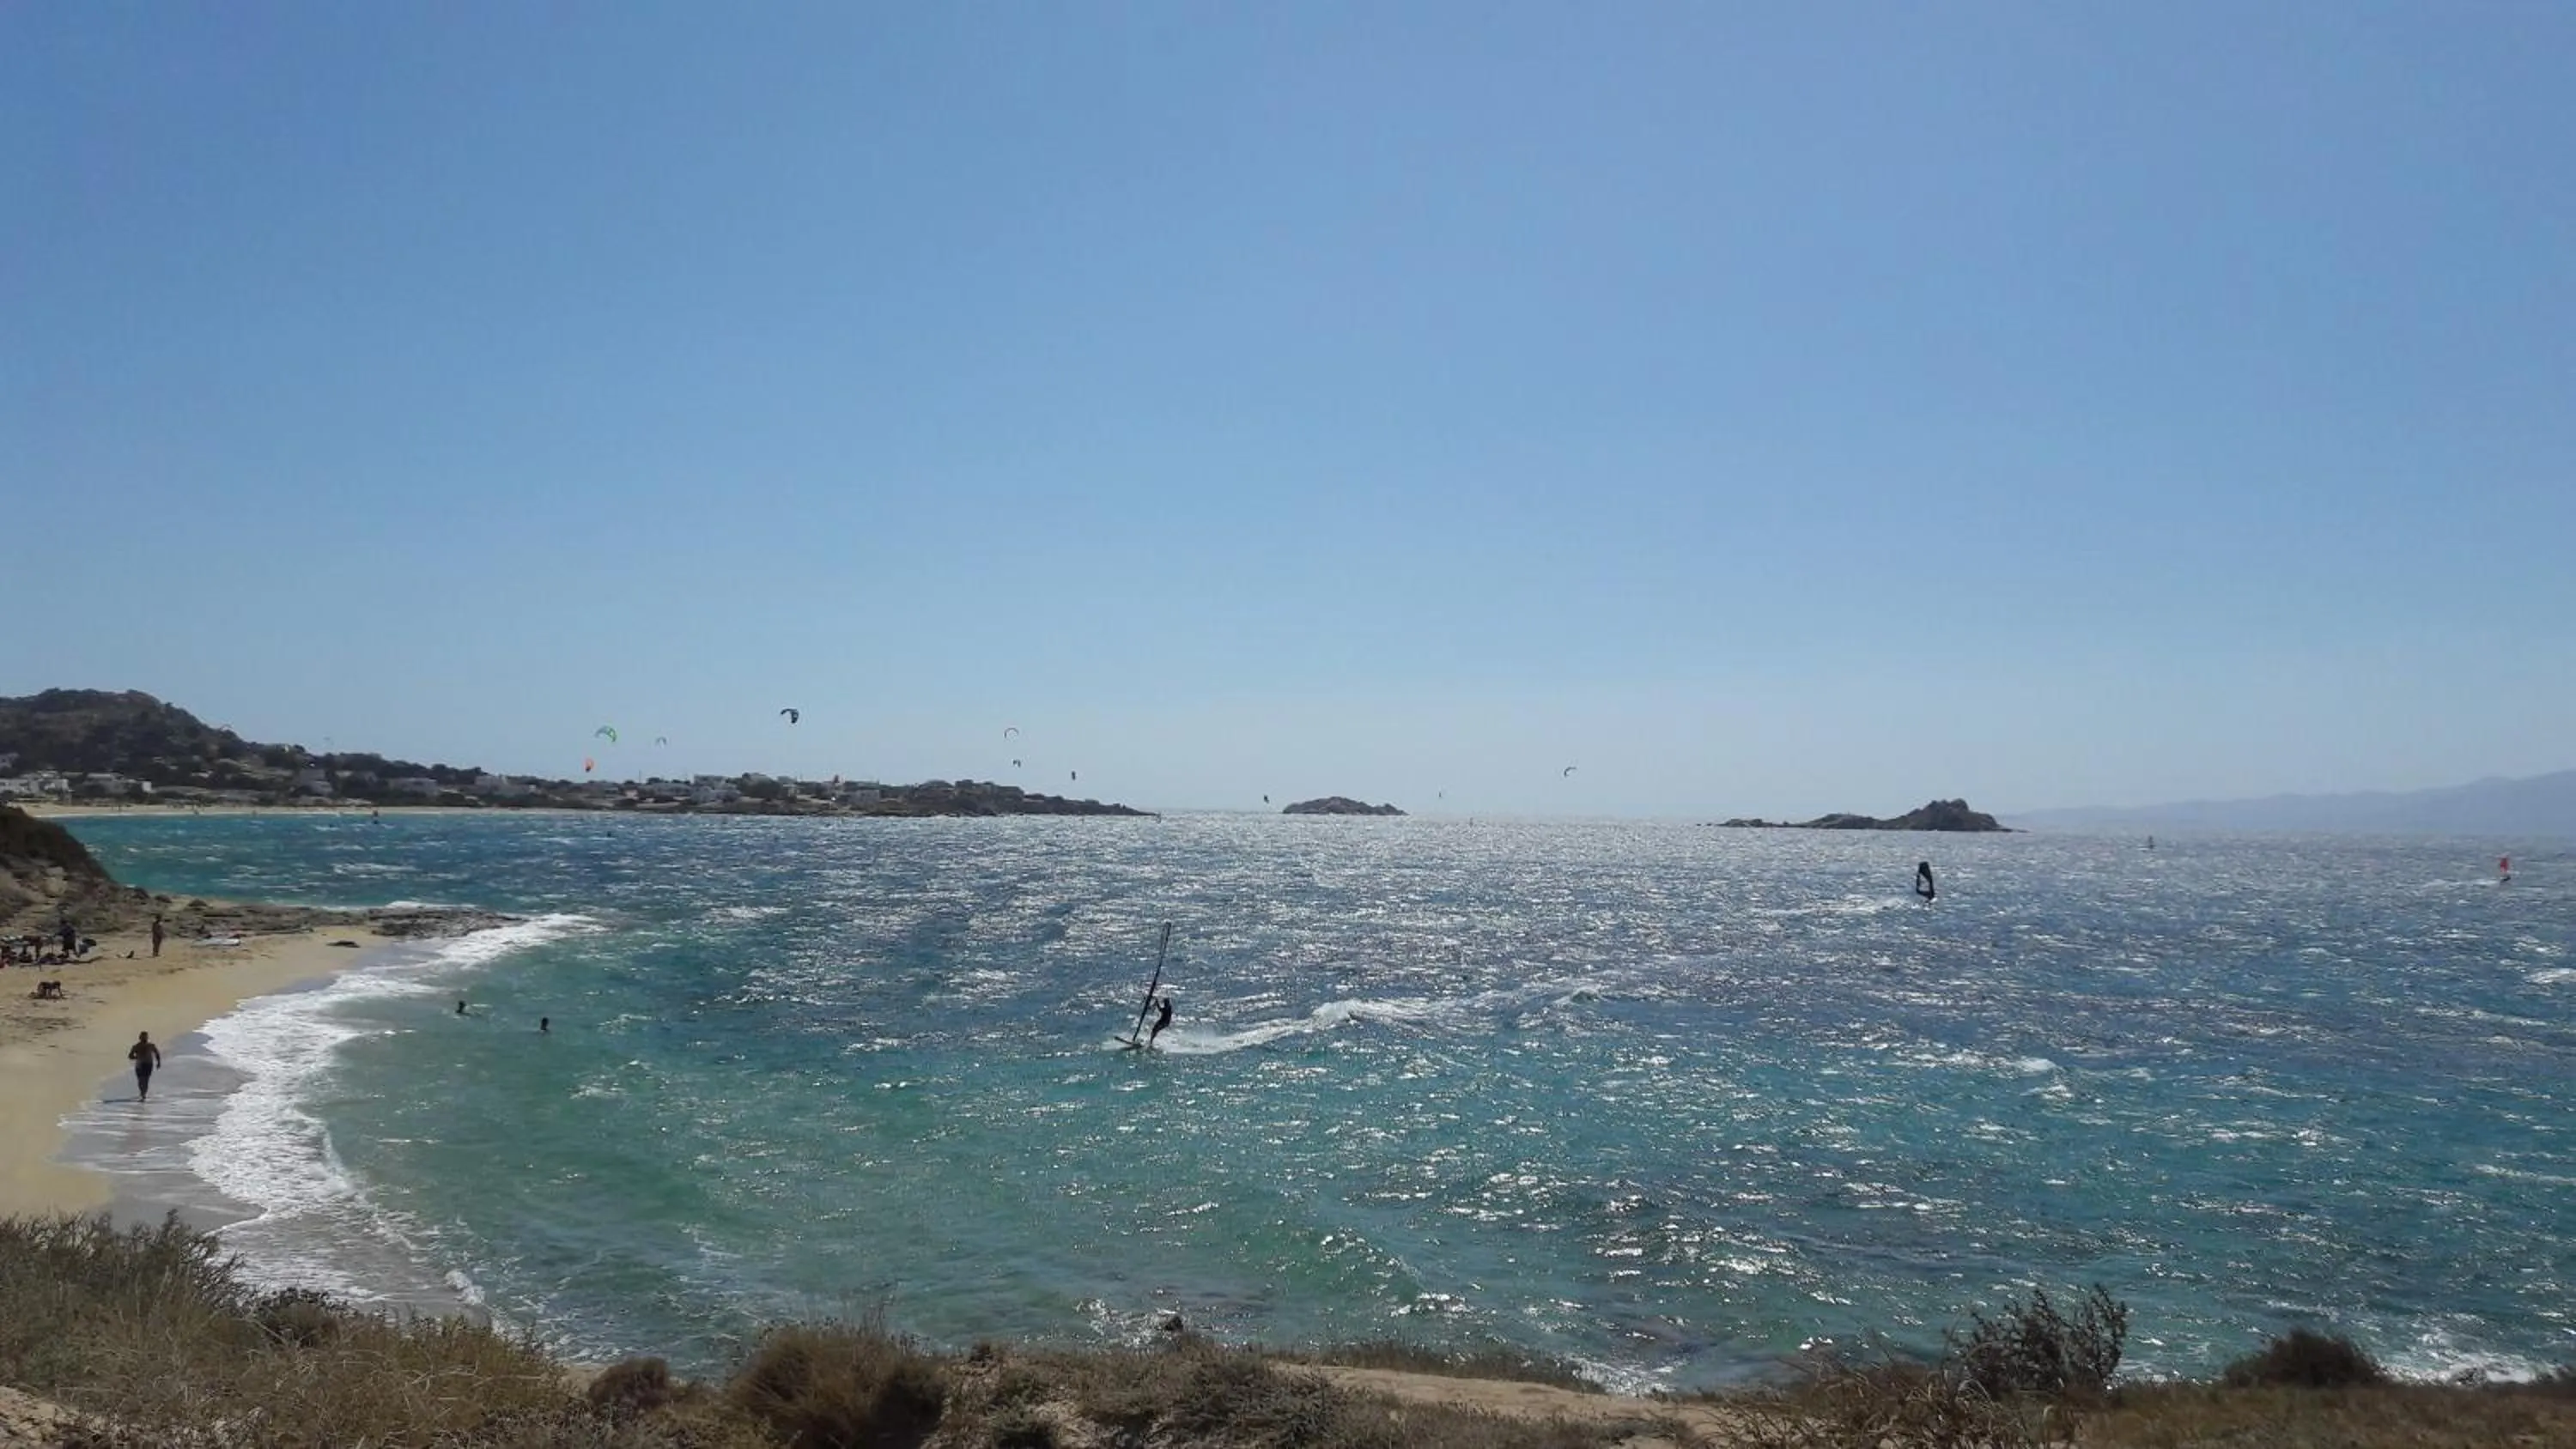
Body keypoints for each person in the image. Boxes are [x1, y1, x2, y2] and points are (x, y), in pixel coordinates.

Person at [128, 1031, 161, 1101]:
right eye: (143, 1037)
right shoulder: (136, 1046)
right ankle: (142, 1092)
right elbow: (130, 1056)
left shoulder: (151, 1045)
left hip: (148, 1064)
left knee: (146, 1080)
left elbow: (157, 1054)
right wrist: (137, 1057)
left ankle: (144, 1094)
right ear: (140, 1038)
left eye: (145, 1037)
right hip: (139, 1064)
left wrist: (158, 1062)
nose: (144, 1038)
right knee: (140, 1080)